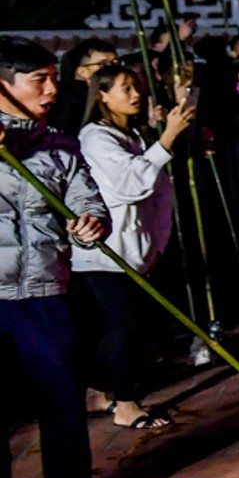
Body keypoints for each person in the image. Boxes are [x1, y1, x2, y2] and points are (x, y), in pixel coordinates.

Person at [0, 36, 134, 478]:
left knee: (60, 395)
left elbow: (85, 194)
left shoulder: (57, 143)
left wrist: (92, 222)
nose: (53, 88)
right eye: (39, 80)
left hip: (43, 290)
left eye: (54, 77)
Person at [71, 62, 192, 428]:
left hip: (135, 250)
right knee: (126, 325)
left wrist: (156, 244)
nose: (136, 94)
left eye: (136, 86)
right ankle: (124, 403)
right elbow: (130, 183)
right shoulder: (95, 137)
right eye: (125, 88)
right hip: (104, 251)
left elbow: (157, 193)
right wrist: (167, 138)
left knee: (121, 327)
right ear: (102, 95)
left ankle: (96, 389)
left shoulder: (133, 135)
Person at [51, 40, 116, 137]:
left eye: (116, 63)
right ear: (82, 72)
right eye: (103, 64)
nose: (113, 69)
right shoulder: (69, 101)